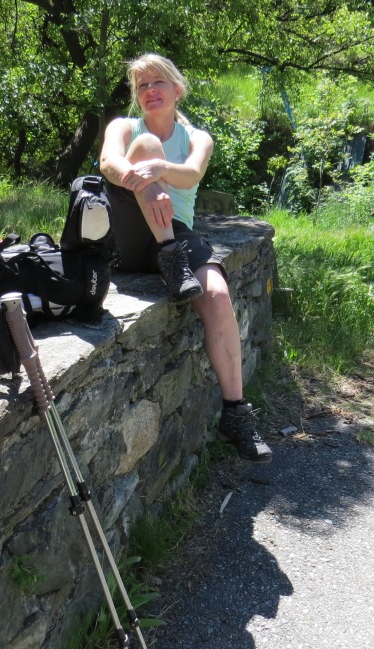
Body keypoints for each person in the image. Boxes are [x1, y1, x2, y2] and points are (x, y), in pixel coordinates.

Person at [98, 53, 272, 463]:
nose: (150, 90)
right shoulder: (125, 127)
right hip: (128, 231)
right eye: (142, 85)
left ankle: (235, 413)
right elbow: (108, 162)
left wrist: (159, 169)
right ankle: (170, 256)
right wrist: (144, 177)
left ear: (177, 90)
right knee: (145, 145)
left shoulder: (198, 138)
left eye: (158, 82)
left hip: (177, 230)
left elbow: (191, 174)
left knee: (217, 295)